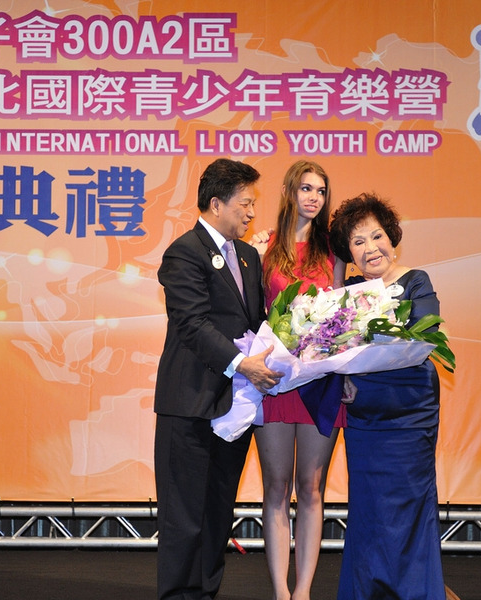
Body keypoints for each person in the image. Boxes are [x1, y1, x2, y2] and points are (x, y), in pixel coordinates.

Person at [154, 158, 285, 600]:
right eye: (245, 203)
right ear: (216, 203)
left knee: (216, 514)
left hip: (234, 408)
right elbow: (192, 324)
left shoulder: (247, 257)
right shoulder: (184, 252)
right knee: (183, 516)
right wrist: (242, 363)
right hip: (190, 403)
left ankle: (206, 593)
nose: (252, 213)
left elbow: (255, 323)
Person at [328, 192, 447, 600]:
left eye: (376, 236)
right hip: (365, 414)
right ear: (350, 253)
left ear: (391, 237)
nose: (370, 248)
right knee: (369, 509)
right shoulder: (347, 292)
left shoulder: (416, 280)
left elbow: (426, 333)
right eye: (358, 242)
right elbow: (330, 346)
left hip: (410, 409)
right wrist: (341, 373)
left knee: (411, 505)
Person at [251, 160, 345, 600]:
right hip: (273, 380)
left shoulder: (333, 251)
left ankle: (303, 591)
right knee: (276, 487)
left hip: (318, 381)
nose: (314, 197)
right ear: (289, 192)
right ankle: (280, 592)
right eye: (306, 188)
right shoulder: (262, 247)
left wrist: (343, 370)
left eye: (321, 191)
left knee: (310, 488)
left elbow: (344, 320)